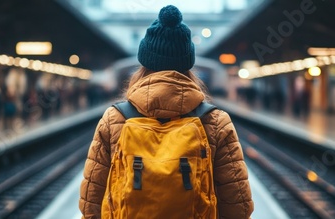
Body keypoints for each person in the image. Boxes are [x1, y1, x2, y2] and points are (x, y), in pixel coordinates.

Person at [79, 5, 253, 219]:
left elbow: (91, 203)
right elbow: (238, 207)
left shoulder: (114, 118)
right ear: (188, 65)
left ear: (144, 63)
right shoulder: (216, 121)